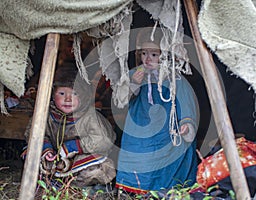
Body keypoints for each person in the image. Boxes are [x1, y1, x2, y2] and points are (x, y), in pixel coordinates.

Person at [115, 27, 199, 194]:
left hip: (166, 128)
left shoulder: (175, 79)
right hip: (140, 125)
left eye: (154, 54)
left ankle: (164, 191)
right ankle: (136, 190)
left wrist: (186, 125)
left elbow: (186, 103)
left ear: (165, 55)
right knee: (137, 151)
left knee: (172, 153)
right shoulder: (135, 74)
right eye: (144, 53)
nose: (148, 59)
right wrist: (134, 84)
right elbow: (121, 101)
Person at [21, 63, 116, 187]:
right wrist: (46, 149)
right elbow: (32, 133)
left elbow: (103, 140)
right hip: (54, 158)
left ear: (83, 96)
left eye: (74, 94)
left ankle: (73, 185)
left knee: (100, 169)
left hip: (81, 158)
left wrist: (73, 147)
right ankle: (51, 181)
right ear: (52, 95)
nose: (68, 99)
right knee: (31, 157)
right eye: (61, 94)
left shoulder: (89, 115)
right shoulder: (45, 113)